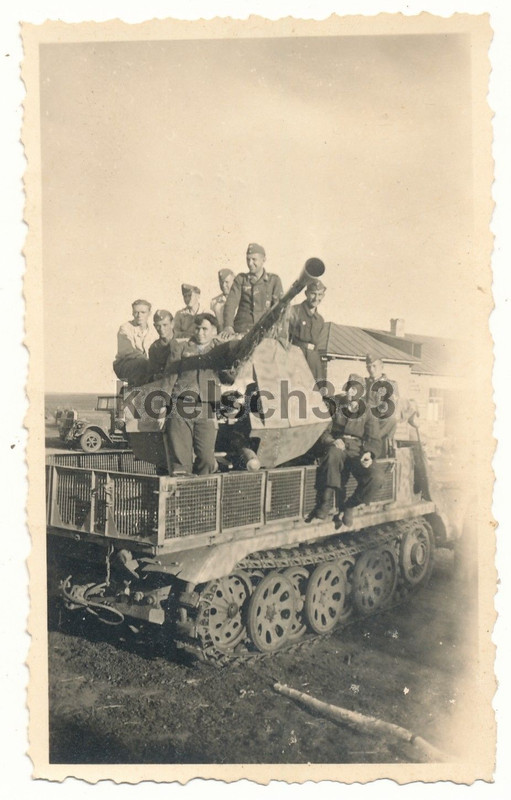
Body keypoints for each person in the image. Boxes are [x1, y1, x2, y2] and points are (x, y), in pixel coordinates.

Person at [163, 313, 237, 476]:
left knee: (207, 459)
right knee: (180, 462)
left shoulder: (220, 349)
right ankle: (182, 497)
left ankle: (201, 493)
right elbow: (170, 377)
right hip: (181, 406)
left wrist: (228, 359)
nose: (200, 333)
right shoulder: (181, 346)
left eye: (205, 329)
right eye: (197, 328)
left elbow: (229, 379)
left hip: (207, 407)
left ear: (214, 331)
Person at [312, 389, 383, 522]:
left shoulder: (367, 410)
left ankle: (350, 505)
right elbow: (323, 431)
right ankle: (325, 502)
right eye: (349, 388)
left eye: (355, 389)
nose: (351, 392)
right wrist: (332, 441)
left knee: (377, 477)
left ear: (361, 392)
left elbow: (374, 438)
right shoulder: (335, 405)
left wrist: (369, 453)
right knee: (332, 454)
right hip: (339, 444)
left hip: (358, 450)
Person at [221, 243, 283, 336]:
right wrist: (228, 326)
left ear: (263, 260)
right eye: (248, 259)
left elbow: (279, 308)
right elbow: (231, 303)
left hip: (264, 330)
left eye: (254, 259)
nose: (250, 263)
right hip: (241, 330)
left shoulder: (273, 280)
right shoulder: (241, 279)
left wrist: (277, 330)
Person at [288, 278, 327, 382]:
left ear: (323, 296)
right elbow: (284, 338)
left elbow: (317, 346)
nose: (316, 298)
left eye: (319, 295)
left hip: (313, 362)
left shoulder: (320, 320)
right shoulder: (294, 311)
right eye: (313, 294)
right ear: (306, 293)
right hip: (296, 359)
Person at [113, 299, 158, 386]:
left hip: (147, 364)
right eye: (136, 312)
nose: (139, 315)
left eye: (143, 312)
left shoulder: (154, 330)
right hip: (126, 363)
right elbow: (128, 351)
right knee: (141, 364)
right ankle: (133, 392)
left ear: (149, 313)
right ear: (132, 313)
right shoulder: (125, 328)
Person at [147, 309, 174, 382]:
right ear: (154, 326)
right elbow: (154, 373)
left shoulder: (183, 339)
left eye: (165, 325)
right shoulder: (154, 348)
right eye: (158, 326)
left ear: (172, 324)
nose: (161, 329)